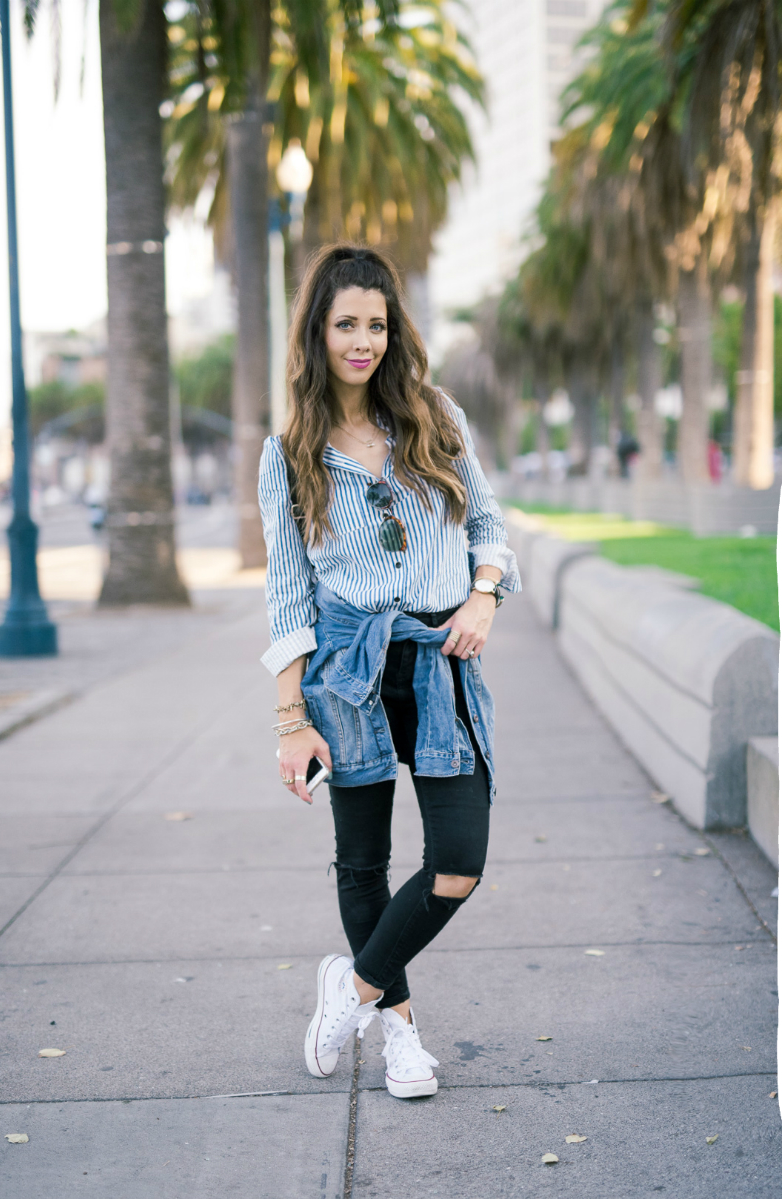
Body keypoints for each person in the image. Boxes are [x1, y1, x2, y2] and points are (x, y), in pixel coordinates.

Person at [258, 244, 519, 1100]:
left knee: (459, 860)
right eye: (346, 324)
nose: (363, 340)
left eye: (377, 323)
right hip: (349, 672)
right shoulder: (290, 451)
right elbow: (290, 595)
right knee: (363, 864)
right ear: (317, 333)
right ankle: (401, 1034)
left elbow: (486, 521)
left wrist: (483, 596)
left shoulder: (435, 416)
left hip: (442, 661)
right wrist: (291, 719)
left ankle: (355, 987)